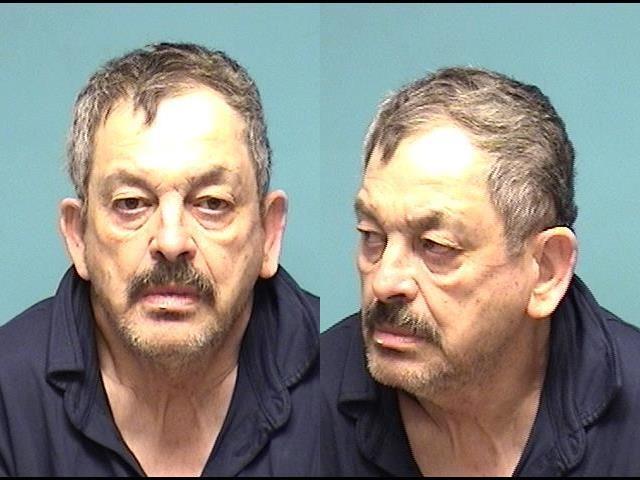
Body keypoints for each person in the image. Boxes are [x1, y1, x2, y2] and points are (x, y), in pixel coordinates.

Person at [0, 42, 319, 476]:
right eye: (131, 203)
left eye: (211, 203)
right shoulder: (8, 396)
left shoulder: (342, 379)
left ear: (269, 233)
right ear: (77, 237)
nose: (171, 241)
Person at [320, 66, 640, 476]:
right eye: (372, 236)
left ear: (545, 271)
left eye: (435, 246)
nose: (384, 281)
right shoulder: (301, 404)